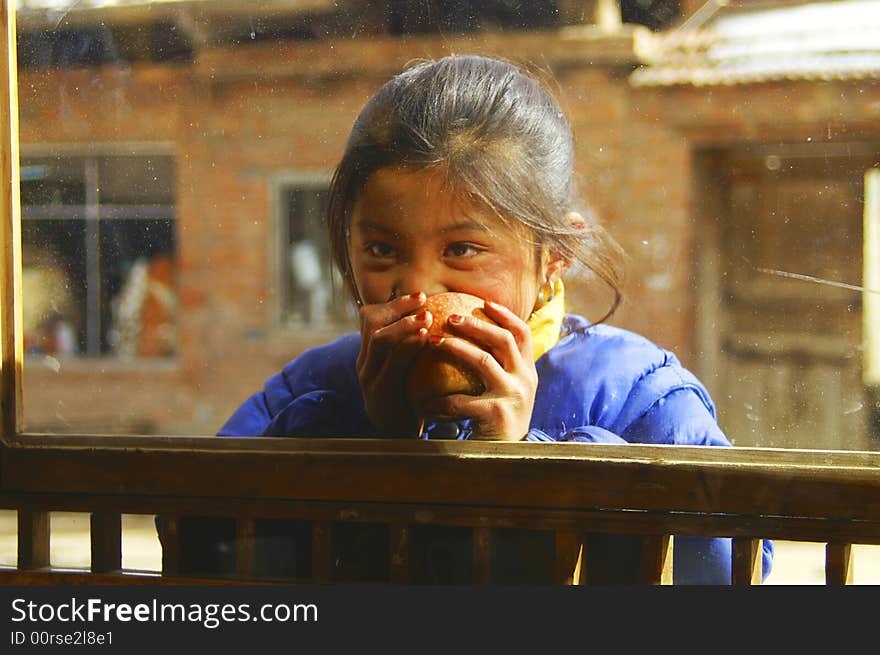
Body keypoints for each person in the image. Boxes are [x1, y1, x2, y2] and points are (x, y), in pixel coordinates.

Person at [214, 54, 774, 584]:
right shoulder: (311, 390)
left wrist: (526, 464)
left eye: (461, 250)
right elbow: (208, 555)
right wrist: (369, 448)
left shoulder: (638, 397)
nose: (418, 287)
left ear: (555, 255)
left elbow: (724, 577)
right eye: (382, 251)